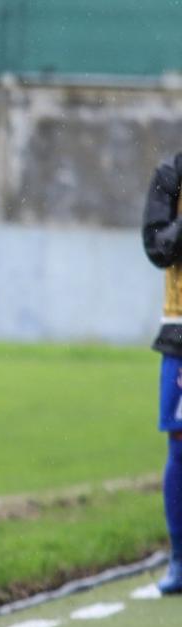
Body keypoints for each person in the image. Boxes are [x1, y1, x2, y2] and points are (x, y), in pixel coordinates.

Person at [142, 153, 182, 595]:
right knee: (181, 444)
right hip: (181, 332)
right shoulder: (171, 176)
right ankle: (180, 557)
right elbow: (158, 248)